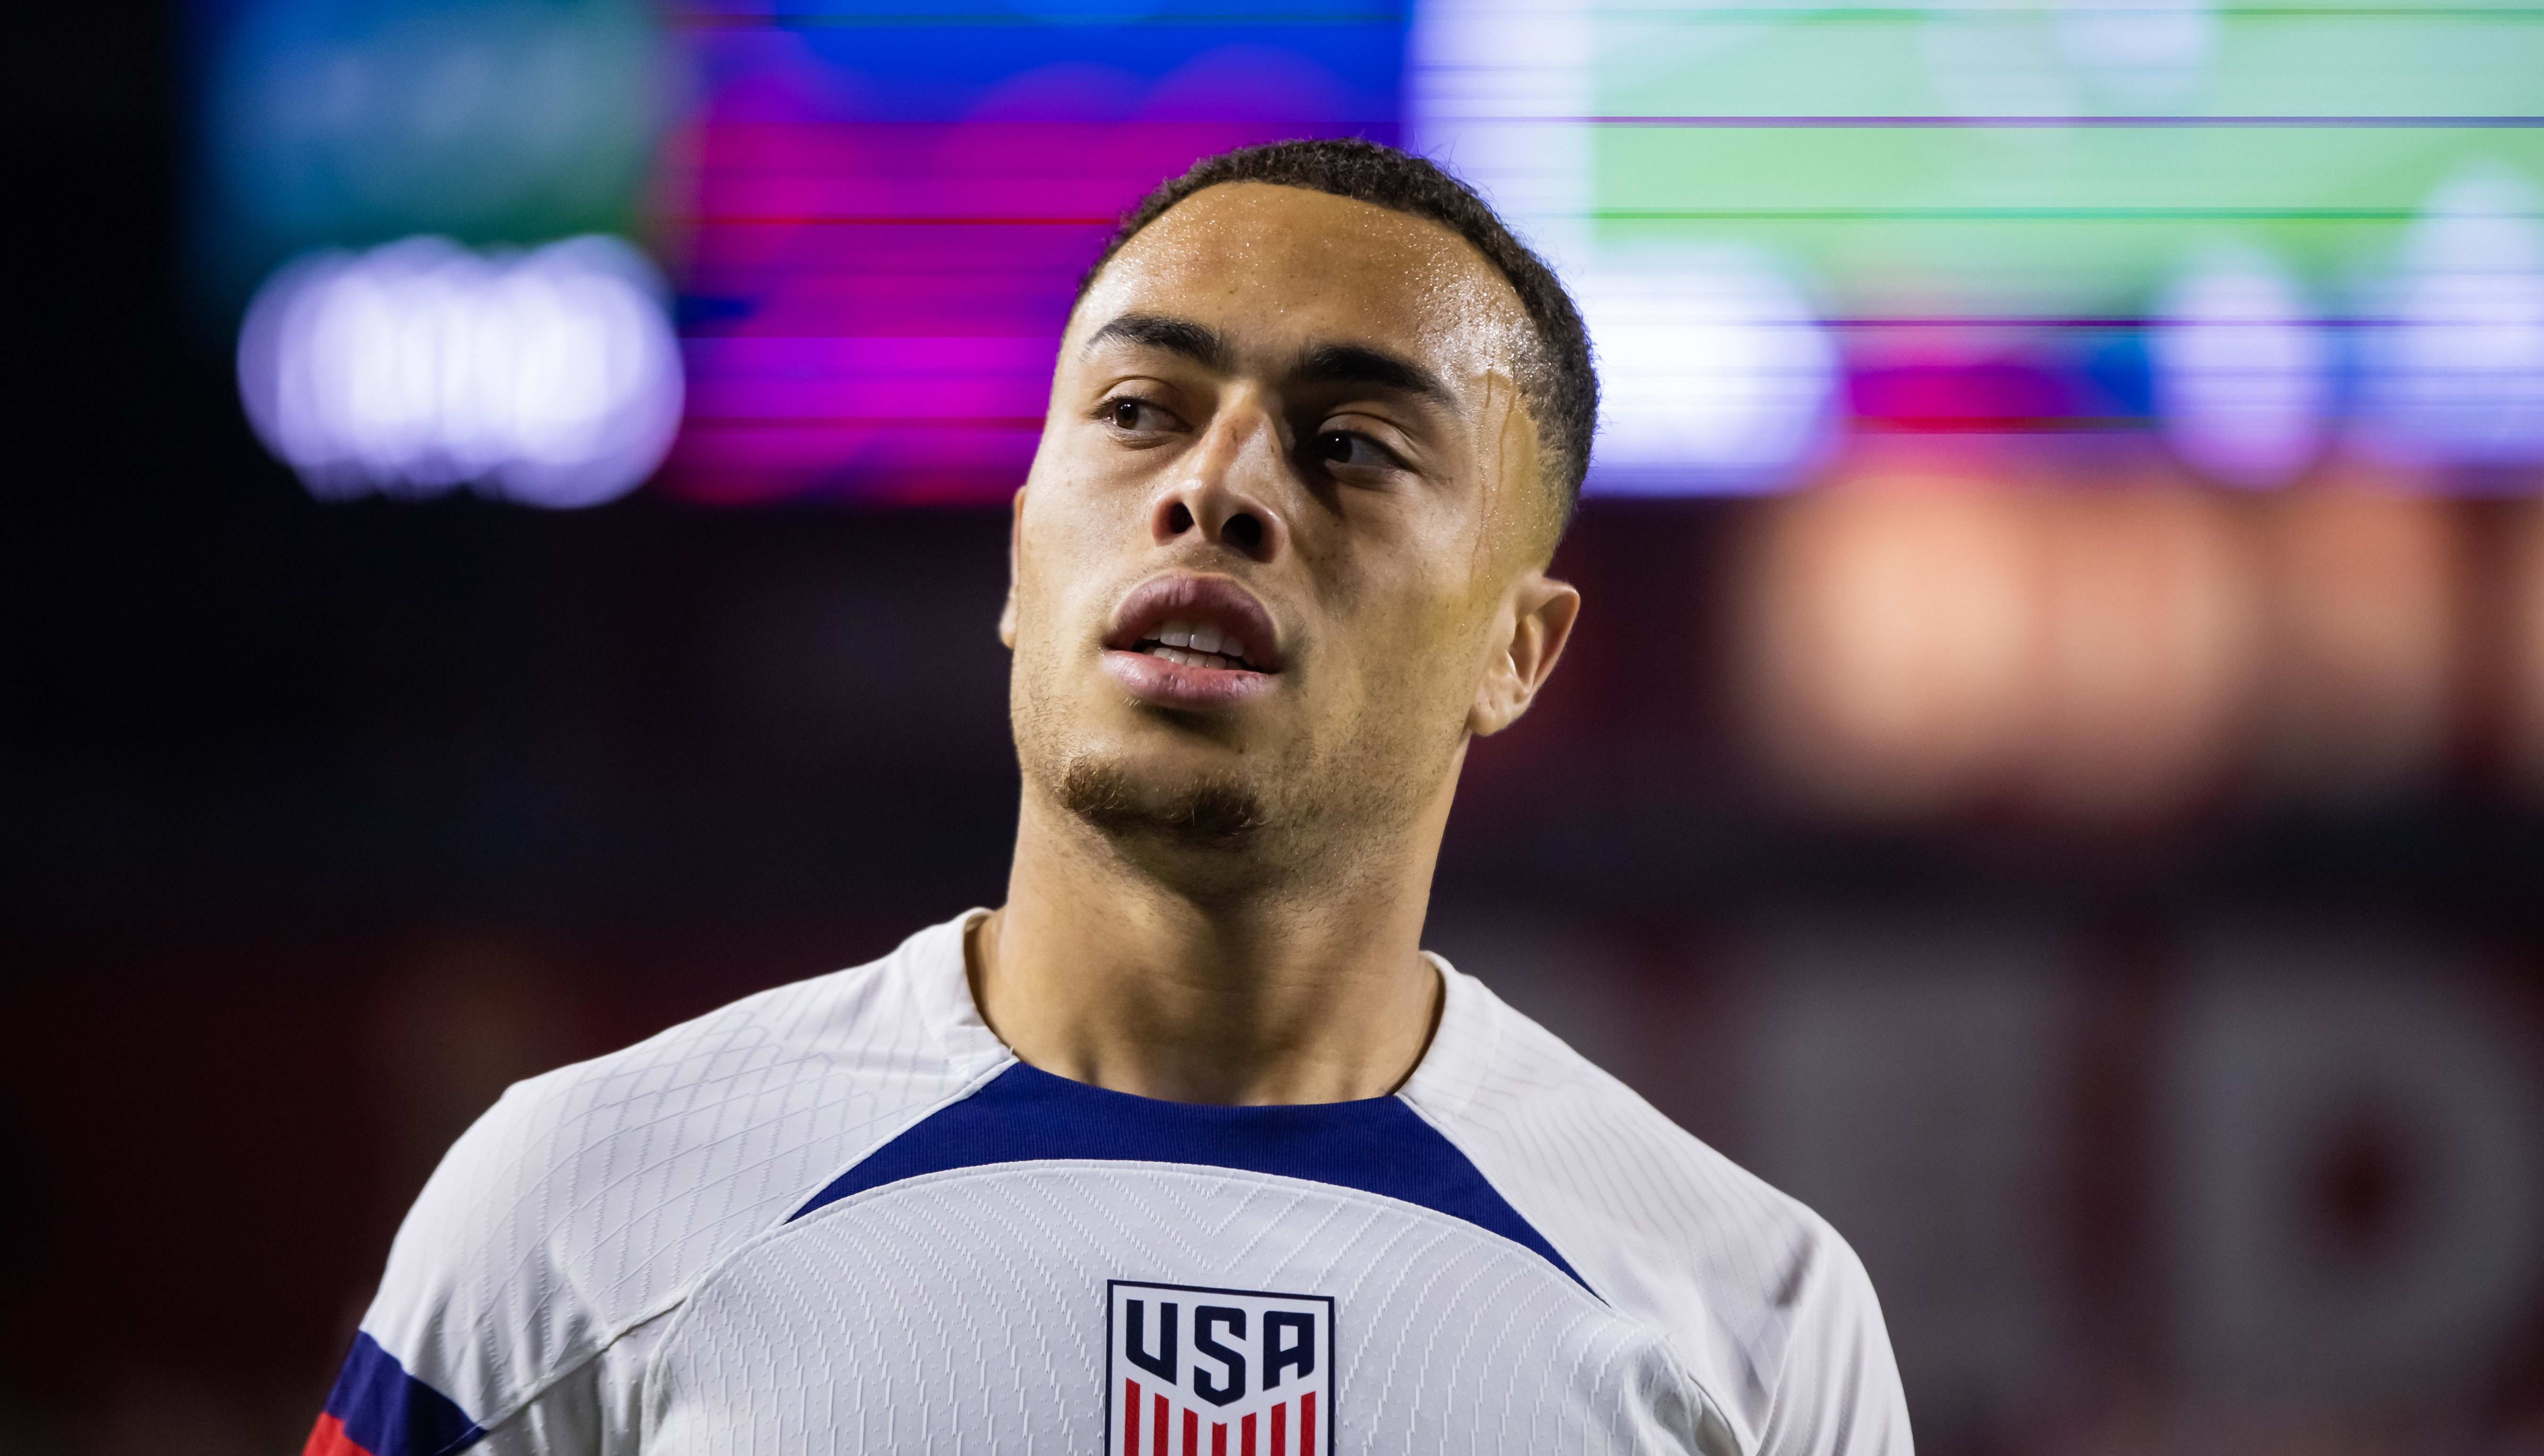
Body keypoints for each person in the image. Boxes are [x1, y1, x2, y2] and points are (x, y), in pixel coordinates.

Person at [304, 138, 1911, 1456]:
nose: (1215, 485)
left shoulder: (1751, 1326)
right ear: (1021, 552)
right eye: (1139, 409)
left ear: (1519, 648)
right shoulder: (575, 1205)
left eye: (1349, 444)